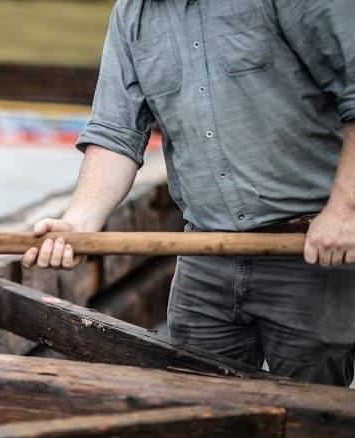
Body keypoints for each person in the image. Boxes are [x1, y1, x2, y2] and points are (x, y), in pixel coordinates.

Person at [24, 1, 355, 389]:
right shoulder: (132, 13)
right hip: (205, 256)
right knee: (192, 413)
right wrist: (79, 222)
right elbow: (116, 133)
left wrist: (346, 211)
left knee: (312, 426)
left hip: (308, 251)